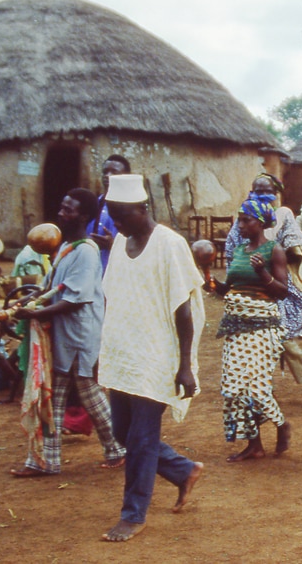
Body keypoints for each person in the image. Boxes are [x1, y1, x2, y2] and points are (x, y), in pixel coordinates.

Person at [97, 174, 204, 542]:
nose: (117, 223)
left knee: (141, 438)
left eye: (122, 215)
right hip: (125, 352)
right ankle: (183, 470)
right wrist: (105, 349)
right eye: (112, 216)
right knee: (122, 433)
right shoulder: (119, 241)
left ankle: (133, 514)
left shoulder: (169, 244)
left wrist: (185, 364)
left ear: (142, 208)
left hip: (157, 355)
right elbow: (113, 297)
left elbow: (184, 311)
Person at [10, 188, 126, 477]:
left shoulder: (86, 251)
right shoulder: (66, 248)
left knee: (83, 394)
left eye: (69, 210)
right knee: (61, 395)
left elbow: (74, 298)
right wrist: (28, 300)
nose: (62, 213)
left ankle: (113, 448)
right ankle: (53, 458)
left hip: (79, 336)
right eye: (62, 207)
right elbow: (52, 287)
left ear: (83, 216)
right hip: (66, 336)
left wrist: (34, 313)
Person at [225, 174, 302, 405]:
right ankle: (263, 388)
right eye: (257, 190)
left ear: (275, 193)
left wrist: (270, 257)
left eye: (267, 191)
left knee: (281, 337)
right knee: (250, 340)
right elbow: (232, 250)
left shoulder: (284, 215)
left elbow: (295, 247)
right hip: (248, 288)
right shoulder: (245, 216)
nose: (262, 195)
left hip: (274, 283)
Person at [214, 198, 292, 462]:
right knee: (234, 387)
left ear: (259, 222)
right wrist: (209, 282)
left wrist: (263, 274)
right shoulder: (238, 251)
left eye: (245, 220)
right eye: (240, 219)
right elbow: (227, 288)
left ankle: (281, 425)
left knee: (256, 388)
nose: (240, 224)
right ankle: (254, 445)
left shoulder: (274, 251)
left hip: (263, 325)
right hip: (236, 325)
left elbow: (282, 292)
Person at [88, 154, 131, 272]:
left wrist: (113, 244)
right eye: (105, 172)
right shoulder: (95, 204)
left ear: (126, 176)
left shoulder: (132, 209)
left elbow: (141, 247)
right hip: (93, 272)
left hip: (117, 271)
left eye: (114, 172)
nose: (108, 176)